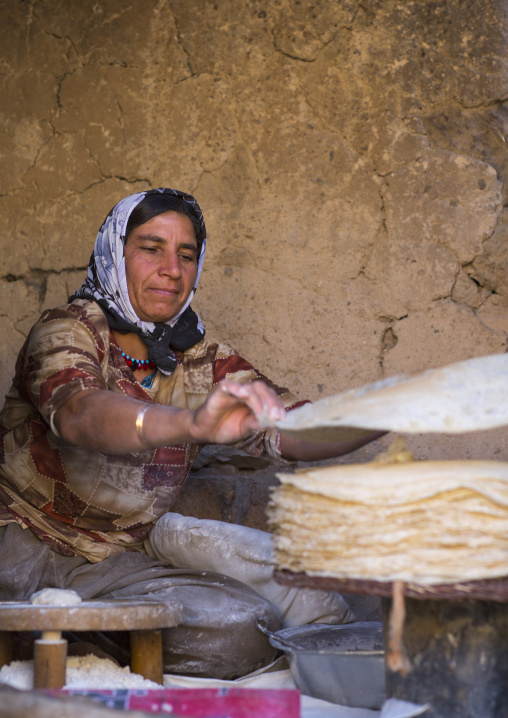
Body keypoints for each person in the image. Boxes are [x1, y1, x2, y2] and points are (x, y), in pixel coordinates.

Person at [0, 188, 384, 679]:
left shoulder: (200, 359)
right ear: (114, 254)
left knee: (251, 623)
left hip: (119, 559)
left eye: (187, 255)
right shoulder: (67, 331)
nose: (172, 270)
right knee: (232, 632)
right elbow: (79, 413)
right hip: (27, 547)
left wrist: (399, 410)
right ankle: (64, 640)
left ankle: (78, 639)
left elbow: (292, 429)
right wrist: (190, 422)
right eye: (150, 248)